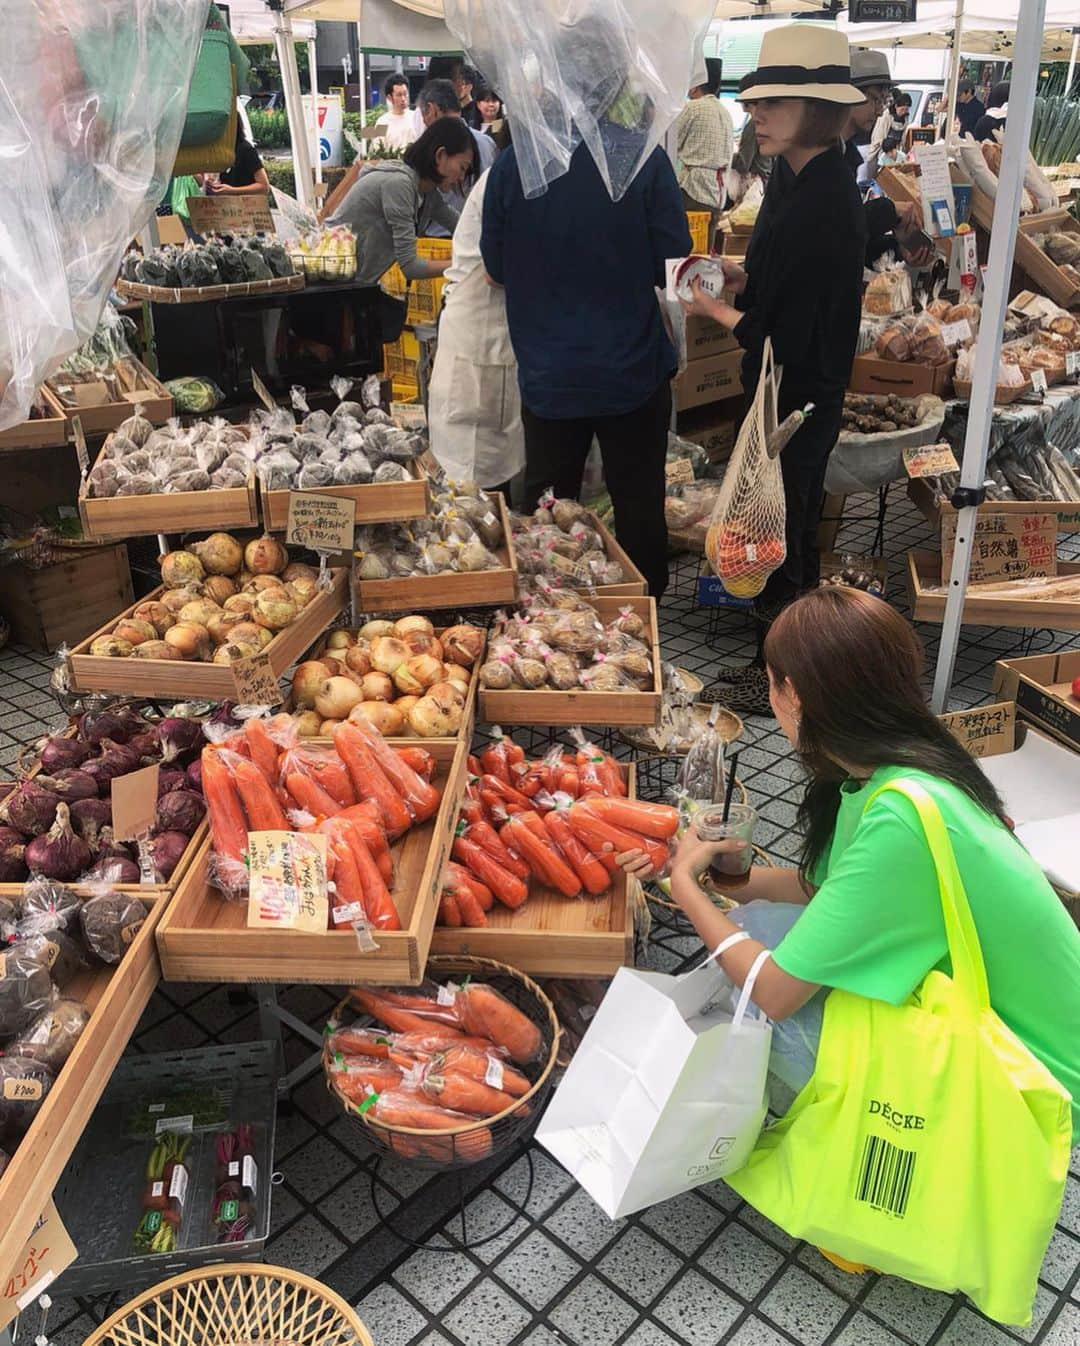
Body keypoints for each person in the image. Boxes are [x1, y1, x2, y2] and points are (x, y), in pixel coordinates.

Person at [658, 585, 1080, 1132]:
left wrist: (687, 889)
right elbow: (822, 893)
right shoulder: (901, 768)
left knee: (755, 1008)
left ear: (796, 697)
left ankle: (869, 1138)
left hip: (1031, 1077)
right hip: (992, 1017)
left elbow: (777, 991)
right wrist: (726, 874)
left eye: (770, 682)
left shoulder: (901, 817)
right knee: (766, 923)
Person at [681, 26, 867, 714]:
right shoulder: (792, 176)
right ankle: (783, 659)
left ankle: (785, 676)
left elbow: (781, 331)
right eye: (754, 102)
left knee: (780, 527)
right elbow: (780, 278)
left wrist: (714, 309)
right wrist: (739, 272)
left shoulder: (827, 199)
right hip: (780, 382)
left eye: (773, 103)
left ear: (815, 109)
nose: (755, 114)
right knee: (775, 519)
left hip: (799, 389)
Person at [481, 52, 691, 600]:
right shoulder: (641, 155)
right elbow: (673, 260)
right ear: (615, 83)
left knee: (547, 515)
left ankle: (546, 634)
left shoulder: (516, 162)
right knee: (639, 504)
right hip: (631, 367)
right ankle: (644, 631)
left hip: (549, 373)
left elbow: (496, 266)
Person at [428, 158, 524, 495]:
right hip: (480, 335)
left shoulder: (514, 176)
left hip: (491, 337)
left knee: (488, 466)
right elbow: (495, 273)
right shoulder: (508, 178)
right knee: (472, 479)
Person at [327, 117, 473, 289]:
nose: (462, 178)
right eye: (462, 168)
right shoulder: (400, 185)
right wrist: (462, 266)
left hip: (353, 283)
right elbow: (410, 267)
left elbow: (461, 226)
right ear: (440, 155)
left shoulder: (427, 192)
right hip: (332, 283)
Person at [417, 79, 496, 237]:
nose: (460, 178)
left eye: (464, 169)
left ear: (432, 110)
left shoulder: (435, 147)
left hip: (439, 238)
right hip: (474, 236)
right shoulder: (488, 143)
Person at [675, 57, 734, 237]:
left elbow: (671, 144)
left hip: (695, 187)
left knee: (690, 247)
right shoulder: (724, 111)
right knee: (706, 247)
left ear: (694, 85)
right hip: (718, 190)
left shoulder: (693, 107)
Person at [209, 124, 269, 195]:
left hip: (246, 204)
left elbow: (264, 187)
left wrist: (232, 190)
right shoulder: (223, 150)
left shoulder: (246, 149)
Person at [376, 73, 421, 150]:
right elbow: (377, 149)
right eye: (399, 95)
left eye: (405, 94)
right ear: (389, 97)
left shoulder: (416, 117)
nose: (403, 99)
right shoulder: (381, 122)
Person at [869, 89, 911, 166]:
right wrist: (887, 147)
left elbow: (903, 136)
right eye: (902, 109)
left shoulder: (905, 117)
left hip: (896, 149)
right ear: (896, 106)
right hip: (885, 148)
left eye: (906, 109)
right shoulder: (886, 115)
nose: (904, 112)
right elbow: (879, 135)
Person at [454, 63, 483, 130]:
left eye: (461, 83)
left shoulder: (477, 110)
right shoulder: (452, 110)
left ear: (469, 86)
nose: (456, 87)